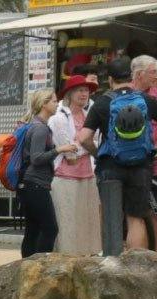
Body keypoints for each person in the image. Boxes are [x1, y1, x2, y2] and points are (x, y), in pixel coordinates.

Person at [83, 58, 157, 253]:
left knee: (111, 217)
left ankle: (112, 265)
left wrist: (98, 154)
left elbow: (84, 138)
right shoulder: (145, 100)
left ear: (111, 79)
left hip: (110, 167)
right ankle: (135, 267)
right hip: (141, 165)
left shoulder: (102, 102)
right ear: (131, 76)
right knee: (135, 217)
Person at [49, 75, 102, 255]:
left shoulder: (90, 115)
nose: (84, 94)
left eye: (86, 90)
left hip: (88, 175)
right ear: (69, 94)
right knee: (67, 220)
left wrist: (81, 144)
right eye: (79, 90)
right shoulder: (58, 118)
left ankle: (88, 258)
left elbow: (93, 143)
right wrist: (87, 146)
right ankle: (67, 258)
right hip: (66, 177)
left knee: (88, 219)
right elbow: (70, 153)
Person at [18, 90, 62, 257]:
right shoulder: (41, 129)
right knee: (50, 228)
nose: (57, 104)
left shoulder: (34, 125)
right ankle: (40, 267)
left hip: (29, 184)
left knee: (33, 229)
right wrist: (58, 150)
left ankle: (27, 267)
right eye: (54, 101)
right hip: (36, 184)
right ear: (44, 104)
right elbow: (36, 158)